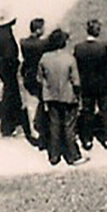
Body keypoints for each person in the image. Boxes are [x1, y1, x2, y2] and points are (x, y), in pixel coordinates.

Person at [37, 28, 87, 167]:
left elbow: (40, 78)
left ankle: (54, 156)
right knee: (69, 126)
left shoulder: (45, 58)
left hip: (51, 96)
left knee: (54, 125)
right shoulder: (69, 59)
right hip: (68, 96)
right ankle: (73, 156)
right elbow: (76, 81)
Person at [73, 18, 107, 150]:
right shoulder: (103, 47)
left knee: (87, 111)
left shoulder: (79, 48)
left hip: (86, 83)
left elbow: (77, 65)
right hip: (102, 83)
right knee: (105, 110)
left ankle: (87, 140)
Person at [0, 8, 31, 140]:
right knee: (10, 95)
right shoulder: (7, 35)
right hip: (9, 70)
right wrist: (15, 65)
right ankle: (8, 127)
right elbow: (10, 56)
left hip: (3, 69)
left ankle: (13, 121)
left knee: (12, 96)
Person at [20, 17, 48, 148]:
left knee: (31, 105)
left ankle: (34, 133)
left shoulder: (24, 42)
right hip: (38, 76)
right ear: (38, 30)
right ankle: (42, 131)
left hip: (28, 75)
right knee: (41, 105)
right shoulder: (42, 44)